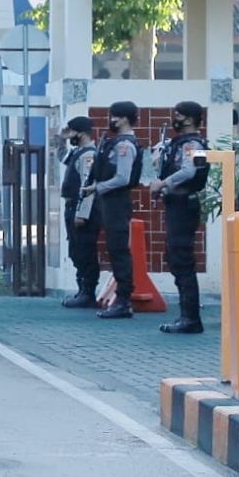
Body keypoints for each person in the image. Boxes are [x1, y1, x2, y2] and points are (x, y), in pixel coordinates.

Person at [149, 101, 210, 334]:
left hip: (184, 204)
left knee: (182, 259)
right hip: (177, 203)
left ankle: (191, 318)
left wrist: (164, 183)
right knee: (176, 258)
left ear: (192, 119)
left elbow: (189, 171)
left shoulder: (192, 144)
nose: (176, 118)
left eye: (180, 115)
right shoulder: (178, 143)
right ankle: (187, 316)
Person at [79, 101, 143, 320]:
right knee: (114, 249)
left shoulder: (125, 145)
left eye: (114, 116)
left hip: (116, 201)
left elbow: (123, 178)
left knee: (119, 250)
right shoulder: (115, 142)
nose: (111, 120)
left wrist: (98, 187)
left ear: (124, 118)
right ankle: (121, 299)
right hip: (110, 201)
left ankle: (124, 300)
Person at [60, 116, 98, 308]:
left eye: (72, 132)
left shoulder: (88, 155)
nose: (70, 136)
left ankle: (87, 292)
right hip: (71, 207)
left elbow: (87, 185)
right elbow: (61, 158)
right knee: (75, 250)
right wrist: (60, 138)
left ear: (81, 133)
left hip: (79, 209)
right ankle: (81, 290)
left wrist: (82, 213)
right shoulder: (77, 152)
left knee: (84, 251)